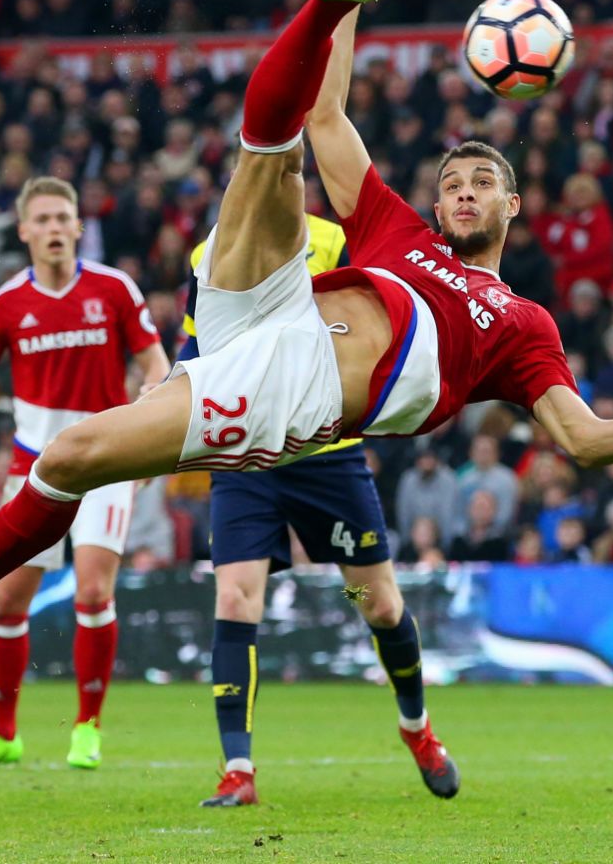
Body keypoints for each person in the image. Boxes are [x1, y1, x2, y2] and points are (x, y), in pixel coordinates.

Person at [0, 0, 613, 618]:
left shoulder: (522, 324)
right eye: (452, 180)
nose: (462, 190)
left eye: (482, 181)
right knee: (278, 153)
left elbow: (584, 440)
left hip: (291, 390)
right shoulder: (399, 231)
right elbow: (331, 115)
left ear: (512, 206)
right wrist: (350, 3)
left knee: (72, 456)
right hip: (269, 310)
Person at [180, 210, 450, 807]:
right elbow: (195, 346)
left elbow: (370, 326)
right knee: (235, 597)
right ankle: (238, 770)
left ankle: (417, 729)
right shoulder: (209, 254)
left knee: (373, 602)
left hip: (327, 453)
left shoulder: (331, 240)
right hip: (247, 456)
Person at [0, 177, 168, 775]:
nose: (53, 229)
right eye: (42, 219)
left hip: (105, 461)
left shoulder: (113, 290)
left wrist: (151, 405)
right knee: (5, 603)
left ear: (78, 227)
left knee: (94, 591)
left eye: (62, 218)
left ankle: (87, 729)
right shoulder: (4, 306)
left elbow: (154, 361)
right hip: (32, 467)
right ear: (24, 231)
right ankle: (3, 735)